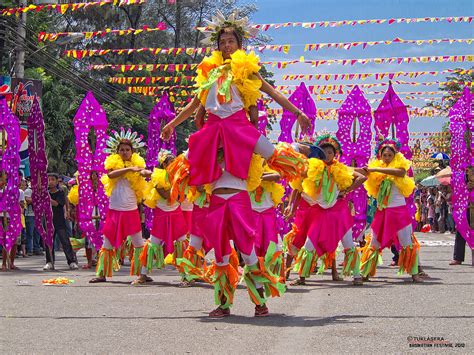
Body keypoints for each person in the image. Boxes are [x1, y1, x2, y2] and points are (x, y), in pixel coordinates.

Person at [160, 10, 310, 318]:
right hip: (214, 135)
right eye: (223, 40)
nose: (227, 45)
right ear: (217, 45)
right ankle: (223, 304)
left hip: (238, 131)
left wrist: (298, 113)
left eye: (232, 40)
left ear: (239, 44)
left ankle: (260, 302)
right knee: (220, 254)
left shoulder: (247, 71)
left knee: (247, 254)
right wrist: (173, 124)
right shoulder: (208, 73)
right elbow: (195, 105)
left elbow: (272, 91)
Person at [286, 136, 367, 286]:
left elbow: (362, 177)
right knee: (309, 244)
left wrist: (347, 190)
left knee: (348, 242)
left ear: (335, 154)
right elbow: (297, 185)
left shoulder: (341, 169)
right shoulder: (312, 169)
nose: (327, 155)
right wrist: (291, 206)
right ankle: (302, 276)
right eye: (324, 152)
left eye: (330, 152)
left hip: (339, 212)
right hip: (319, 212)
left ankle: (357, 276)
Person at [89, 128, 151, 285]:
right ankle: (101, 274)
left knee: (138, 243)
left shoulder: (137, 164)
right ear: (117, 151)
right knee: (107, 242)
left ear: (132, 152)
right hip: (115, 209)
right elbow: (110, 175)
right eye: (122, 150)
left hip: (130, 210)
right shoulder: (113, 164)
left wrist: (147, 172)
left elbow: (146, 172)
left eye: (127, 150)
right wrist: (130, 169)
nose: (124, 152)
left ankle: (143, 274)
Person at [361, 138, 424, 282]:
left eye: (390, 155)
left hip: (399, 212)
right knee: (374, 243)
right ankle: (365, 272)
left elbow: (400, 173)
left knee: (406, 242)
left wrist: (375, 169)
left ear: (394, 156)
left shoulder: (399, 168)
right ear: (381, 156)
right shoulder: (376, 171)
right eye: (385, 155)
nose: (387, 157)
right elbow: (362, 173)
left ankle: (414, 274)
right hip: (382, 212)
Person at [140, 150, 188, 285]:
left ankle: (185, 276)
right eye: (170, 162)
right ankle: (143, 274)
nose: (174, 164)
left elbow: (181, 196)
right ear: (164, 164)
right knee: (153, 243)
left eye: (175, 162)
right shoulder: (158, 177)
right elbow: (168, 195)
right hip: (161, 215)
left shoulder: (179, 177)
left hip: (176, 214)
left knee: (182, 244)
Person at [43, 173, 78, 271]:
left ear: (57, 181)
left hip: (59, 221)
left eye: (52, 179)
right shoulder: (45, 192)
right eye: (49, 180)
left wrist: (47, 198)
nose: (50, 182)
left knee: (65, 241)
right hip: (47, 220)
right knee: (49, 243)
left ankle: (71, 261)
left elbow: (56, 203)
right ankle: (49, 262)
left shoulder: (60, 193)